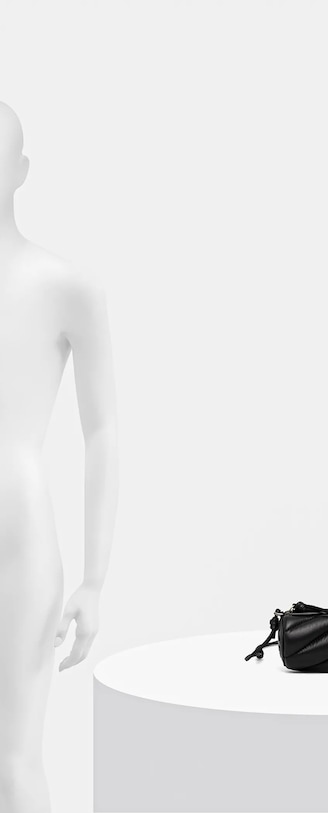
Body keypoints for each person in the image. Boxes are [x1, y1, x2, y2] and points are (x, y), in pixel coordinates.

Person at [0, 100, 119, 813]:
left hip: (17, 535)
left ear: (21, 170)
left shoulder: (66, 286)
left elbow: (102, 430)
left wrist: (96, 579)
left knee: (14, 760)